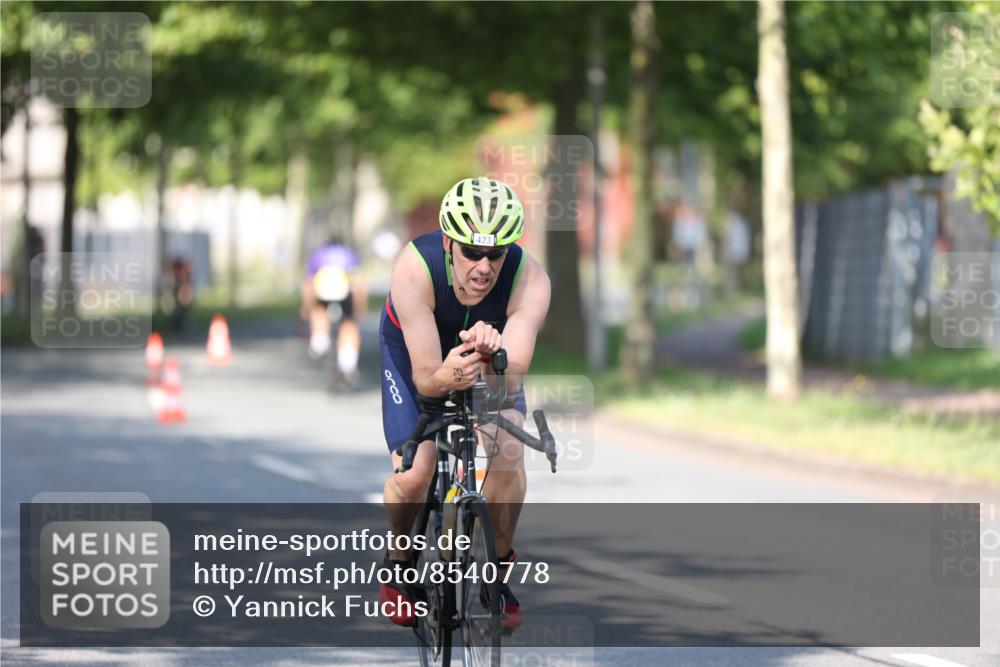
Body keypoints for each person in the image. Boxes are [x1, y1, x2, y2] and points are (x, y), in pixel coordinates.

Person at [378, 177, 551, 630]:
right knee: (416, 473)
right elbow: (426, 380)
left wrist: (491, 356)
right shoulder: (415, 267)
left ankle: (496, 572)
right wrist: (449, 373)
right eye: (473, 253)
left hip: (488, 361)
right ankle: (398, 565)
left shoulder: (530, 279)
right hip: (418, 355)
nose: (484, 266)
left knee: (507, 449)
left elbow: (510, 377)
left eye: (496, 254)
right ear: (450, 243)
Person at [301, 235, 366, 380]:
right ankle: (347, 360)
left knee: (319, 311)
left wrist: (307, 306)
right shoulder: (350, 254)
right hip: (345, 292)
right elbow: (359, 283)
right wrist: (360, 307)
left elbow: (309, 283)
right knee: (349, 323)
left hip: (322, 290)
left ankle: (320, 339)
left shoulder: (318, 254)